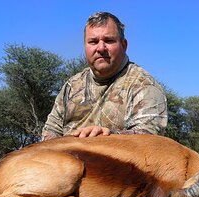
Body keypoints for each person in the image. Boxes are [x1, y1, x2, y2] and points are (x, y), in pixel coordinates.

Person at [42, 12, 167, 140]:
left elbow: (148, 141)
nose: (101, 48)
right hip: (64, 157)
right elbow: (50, 132)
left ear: (124, 46)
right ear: (85, 47)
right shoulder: (72, 85)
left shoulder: (144, 85)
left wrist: (106, 137)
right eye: (93, 42)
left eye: (109, 40)